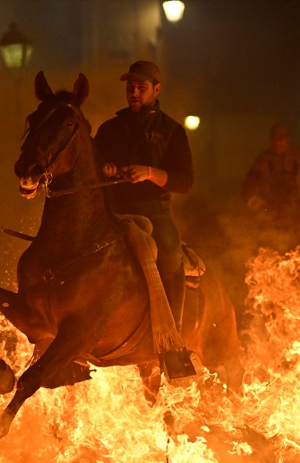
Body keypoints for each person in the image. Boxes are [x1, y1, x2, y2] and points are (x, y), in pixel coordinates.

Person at [94, 61, 195, 378]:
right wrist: (105, 168)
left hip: (153, 209)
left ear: (156, 89)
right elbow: (93, 163)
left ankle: (173, 342)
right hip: (112, 209)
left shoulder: (171, 131)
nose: (134, 92)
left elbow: (184, 181)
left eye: (141, 87)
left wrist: (149, 173)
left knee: (169, 250)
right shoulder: (110, 129)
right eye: (130, 87)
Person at [240, 123, 300, 252]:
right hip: (270, 215)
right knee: (256, 245)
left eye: (280, 140)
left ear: (287, 139)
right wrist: (254, 201)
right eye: (273, 140)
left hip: (299, 213)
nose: (277, 144)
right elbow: (246, 188)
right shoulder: (263, 160)